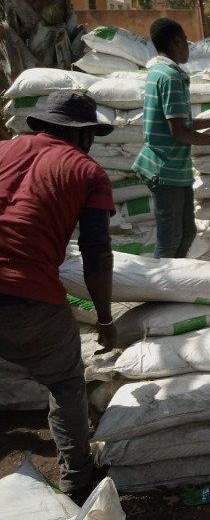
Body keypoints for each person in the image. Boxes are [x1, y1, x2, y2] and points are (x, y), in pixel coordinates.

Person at [0, 91, 119, 505]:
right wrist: (104, 318)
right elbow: (97, 254)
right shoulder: (87, 171)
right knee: (67, 383)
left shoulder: (1, 150)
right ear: (84, 135)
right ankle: (77, 480)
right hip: (28, 294)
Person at [132, 18, 210, 259]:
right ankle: (161, 289)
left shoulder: (157, 72)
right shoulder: (171, 77)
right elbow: (178, 132)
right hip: (165, 169)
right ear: (176, 41)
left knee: (187, 232)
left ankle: (172, 283)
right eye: (186, 42)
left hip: (171, 169)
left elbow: (179, 121)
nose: (188, 47)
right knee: (170, 239)